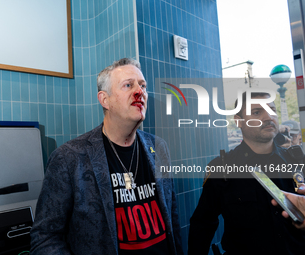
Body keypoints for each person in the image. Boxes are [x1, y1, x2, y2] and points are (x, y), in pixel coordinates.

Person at [30, 58, 183, 255]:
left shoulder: (159, 147)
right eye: (128, 85)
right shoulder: (69, 157)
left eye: (143, 85)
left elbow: (172, 217)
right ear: (105, 99)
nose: (140, 92)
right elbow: (45, 238)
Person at [188, 92, 305, 255]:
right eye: (257, 112)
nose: (268, 117)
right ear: (239, 121)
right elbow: (203, 225)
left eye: (272, 110)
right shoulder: (222, 168)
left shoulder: (297, 161)